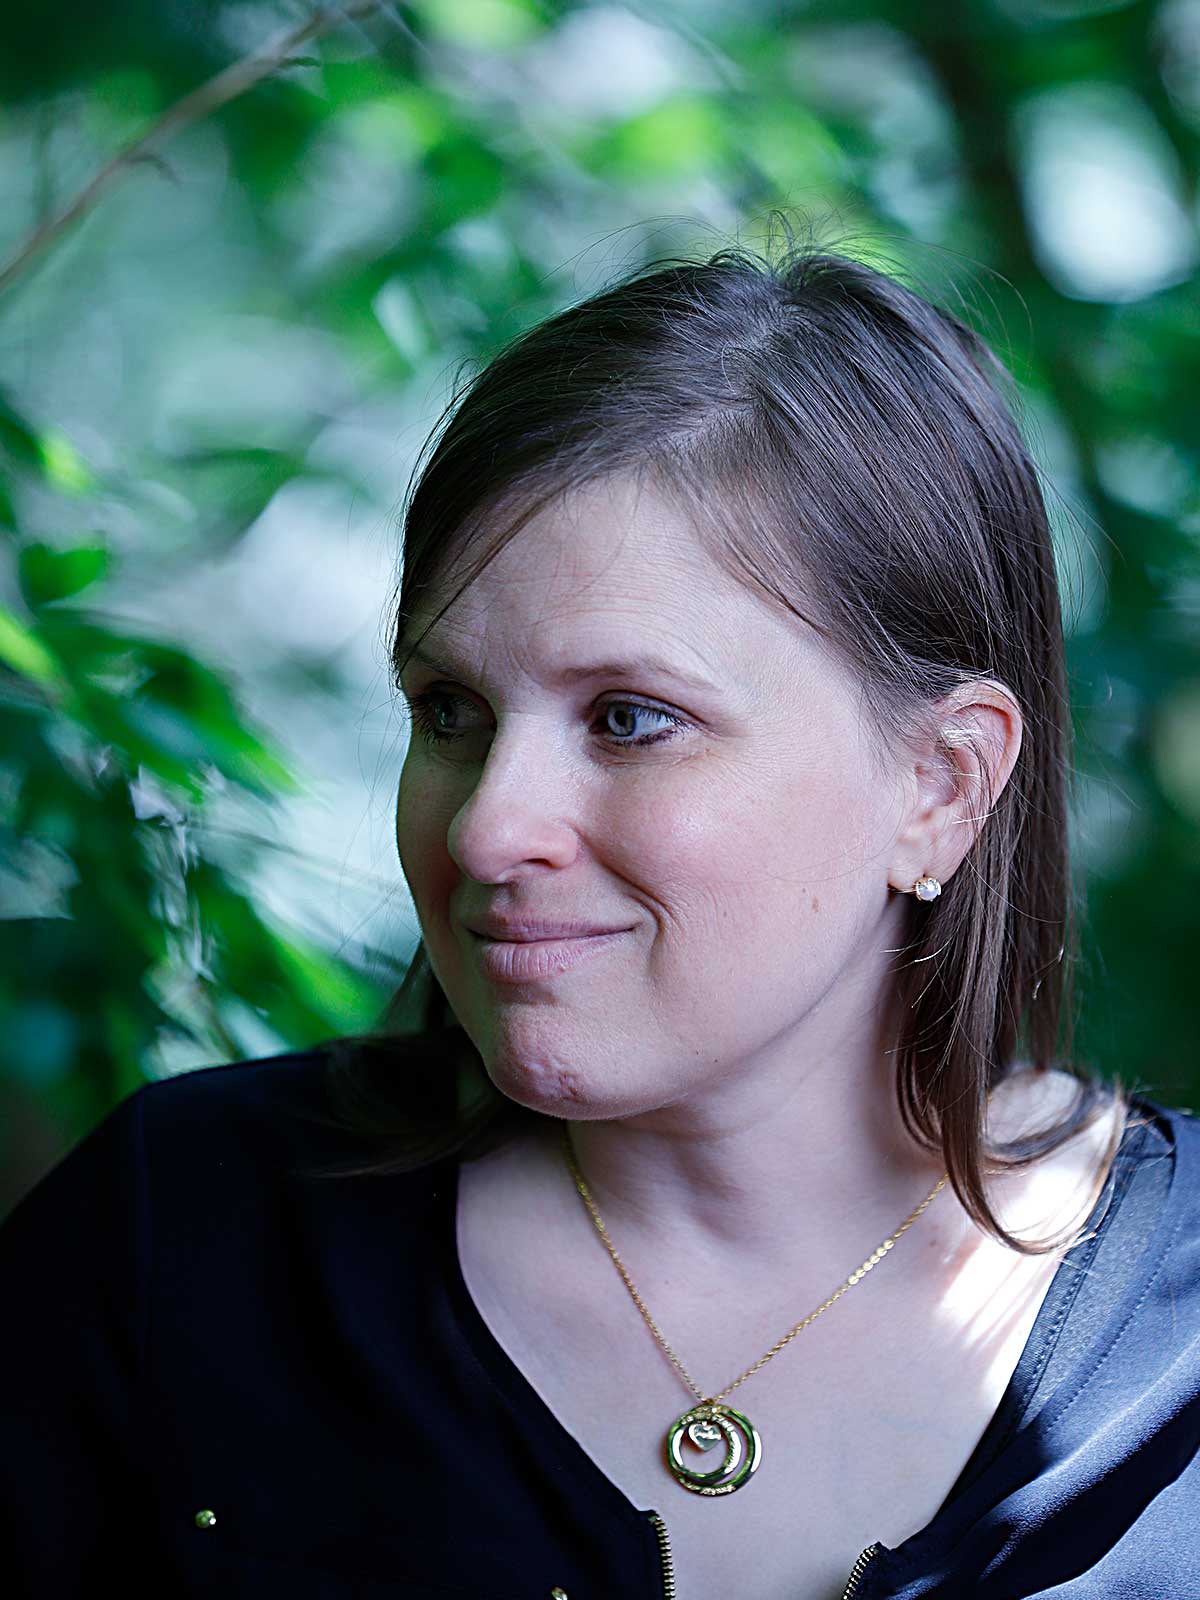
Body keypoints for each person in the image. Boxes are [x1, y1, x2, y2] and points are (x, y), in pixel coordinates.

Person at [2, 239, 1197, 1600]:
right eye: (451, 711)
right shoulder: (187, 1247)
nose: (485, 828)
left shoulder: (1182, 1346)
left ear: (940, 783)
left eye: (632, 718)